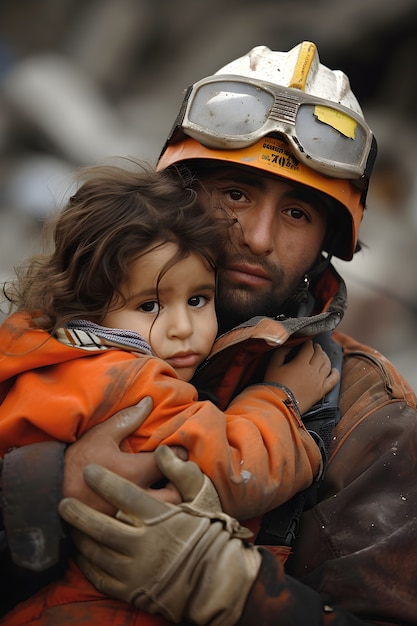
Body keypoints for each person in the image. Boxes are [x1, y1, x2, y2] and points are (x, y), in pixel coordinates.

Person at [2, 39, 417, 625]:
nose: (258, 237)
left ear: (328, 244)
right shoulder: (64, 332)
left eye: (297, 212)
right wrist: (41, 487)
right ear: (178, 192)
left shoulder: (367, 414)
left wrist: (231, 592)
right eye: (236, 194)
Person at [0, 161, 336, 623]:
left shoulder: (37, 358)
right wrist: (279, 397)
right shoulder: (133, 382)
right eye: (149, 305)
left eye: (199, 298)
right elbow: (234, 470)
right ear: (91, 307)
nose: (182, 329)